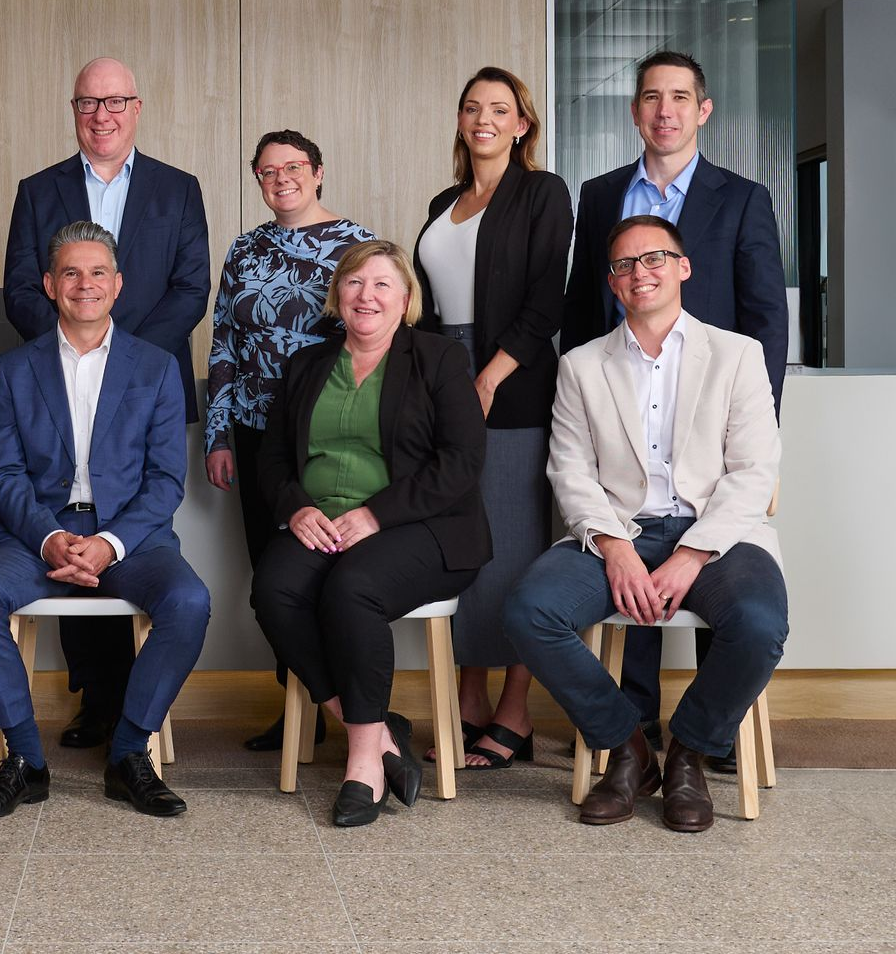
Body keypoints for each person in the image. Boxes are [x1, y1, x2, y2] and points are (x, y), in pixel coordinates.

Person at [506, 215, 785, 832]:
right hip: (616, 530)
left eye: (655, 259)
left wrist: (692, 553)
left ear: (683, 268)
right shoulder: (581, 365)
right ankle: (630, 750)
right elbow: (570, 472)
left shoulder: (738, 355)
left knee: (761, 624)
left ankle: (688, 750)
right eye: (625, 265)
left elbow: (754, 471)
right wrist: (613, 547)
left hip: (716, 535)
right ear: (613, 283)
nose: (641, 273)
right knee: (529, 612)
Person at [562, 50, 787, 772]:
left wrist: (759, 436)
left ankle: (707, 735)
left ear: (703, 110)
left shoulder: (741, 196)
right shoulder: (599, 196)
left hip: (714, 424)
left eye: (680, 98)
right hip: (622, 411)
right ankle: (634, 727)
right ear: (635, 112)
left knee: (723, 581)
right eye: (652, 98)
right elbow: (578, 312)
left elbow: (765, 321)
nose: (665, 110)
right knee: (631, 561)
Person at [0, 221, 209, 820]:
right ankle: (24, 761)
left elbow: (167, 480)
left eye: (98, 272)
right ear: (49, 284)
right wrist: (50, 539)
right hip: (35, 533)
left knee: (189, 602)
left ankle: (128, 755)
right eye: (70, 272)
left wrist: (110, 543)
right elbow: (4, 475)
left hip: (131, 536)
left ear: (118, 285)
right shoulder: (16, 370)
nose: (84, 284)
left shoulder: (156, 367)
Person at [3, 56, 210, 750]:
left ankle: (131, 706)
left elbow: (190, 288)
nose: (103, 115)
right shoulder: (39, 190)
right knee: (68, 514)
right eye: (89, 102)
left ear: (137, 107)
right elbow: (21, 290)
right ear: (74, 110)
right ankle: (95, 698)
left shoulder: (179, 189)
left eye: (115, 101)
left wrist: (124, 360)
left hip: (147, 389)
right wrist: (75, 348)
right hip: (58, 388)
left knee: (130, 523)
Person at [249, 240, 489, 828]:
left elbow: (461, 462)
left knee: (352, 588)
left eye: (383, 284)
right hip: (323, 523)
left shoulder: (437, 359)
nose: (367, 296)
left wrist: (376, 515)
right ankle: (380, 729)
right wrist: (297, 507)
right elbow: (273, 458)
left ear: (406, 299)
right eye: (355, 283)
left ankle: (363, 763)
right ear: (337, 296)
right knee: (273, 590)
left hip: (422, 527)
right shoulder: (307, 365)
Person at [410, 66, 572, 768]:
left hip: (513, 380)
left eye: (499, 109)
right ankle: (467, 698)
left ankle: (515, 711)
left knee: (510, 543)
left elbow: (546, 300)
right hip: (442, 374)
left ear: (522, 124)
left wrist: (490, 374)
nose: (483, 118)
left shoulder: (542, 192)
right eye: (471, 106)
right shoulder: (445, 200)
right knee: (456, 540)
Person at [205, 130, 376, 753]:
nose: (282, 178)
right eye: (268, 169)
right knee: (272, 575)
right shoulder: (244, 249)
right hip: (254, 436)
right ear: (256, 178)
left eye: (294, 166)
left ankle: (352, 709)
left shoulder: (356, 245)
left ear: (319, 172)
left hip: (328, 437)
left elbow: (372, 341)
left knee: (331, 573)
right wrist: (218, 434)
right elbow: (224, 343)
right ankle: (299, 707)